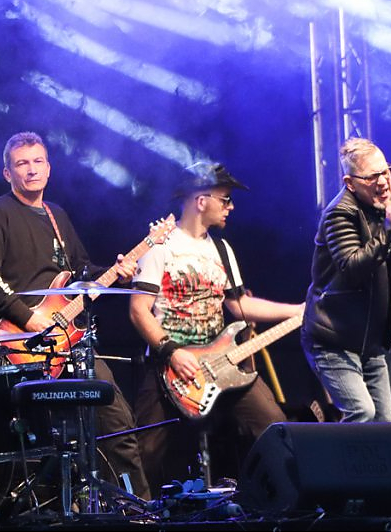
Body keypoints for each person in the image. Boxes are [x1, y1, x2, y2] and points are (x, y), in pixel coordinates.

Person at [0, 131, 150, 500]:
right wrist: (26, 317)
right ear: (8, 173)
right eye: (22, 163)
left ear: (49, 168)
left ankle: (137, 509)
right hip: (22, 344)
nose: (31, 170)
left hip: (70, 342)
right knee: (30, 444)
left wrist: (116, 271)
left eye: (38, 161)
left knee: (118, 425)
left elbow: (80, 273)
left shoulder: (58, 216)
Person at [128, 161, 303, 493]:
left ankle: (283, 504)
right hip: (169, 368)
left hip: (222, 366)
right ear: (201, 201)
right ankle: (136, 514)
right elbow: (138, 311)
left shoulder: (222, 249)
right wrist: (171, 352)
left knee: (275, 428)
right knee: (144, 453)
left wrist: (297, 310)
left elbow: (239, 305)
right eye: (225, 199)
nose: (230, 207)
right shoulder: (160, 245)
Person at [301, 137, 391, 423]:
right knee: (361, 412)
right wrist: (389, 230)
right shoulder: (339, 214)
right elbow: (353, 268)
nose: (384, 181)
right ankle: (332, 455)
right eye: (373, 176)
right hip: (332, 340)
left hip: (369, 341)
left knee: (384, 422)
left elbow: (386, 271)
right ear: (350, 183)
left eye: (386, 171)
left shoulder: (377, 210)